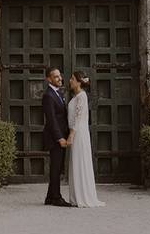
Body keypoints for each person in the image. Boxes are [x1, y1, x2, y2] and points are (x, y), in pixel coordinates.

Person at [66, 71, 105, 208]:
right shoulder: (76, 96)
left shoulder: (82, 96)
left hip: (78, 132)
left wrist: (71, 135)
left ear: (78, 81)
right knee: (76, 161)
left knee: (80, 161)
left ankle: (83, 196)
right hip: (77, 131)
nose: (70, 80)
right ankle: (77, 196)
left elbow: (78, 118)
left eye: (72, 79)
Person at [42, 67, 74, 207]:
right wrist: (60, 138)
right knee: (55, 168)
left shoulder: (58, 93)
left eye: (59, 75)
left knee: (57, 167)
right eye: (55, 77)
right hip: (55, 138)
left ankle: (50, 197)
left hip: (61, 136)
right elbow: (51, 120)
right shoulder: (48, 95)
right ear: (48, 79)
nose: (60, 78)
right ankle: (56, 198)